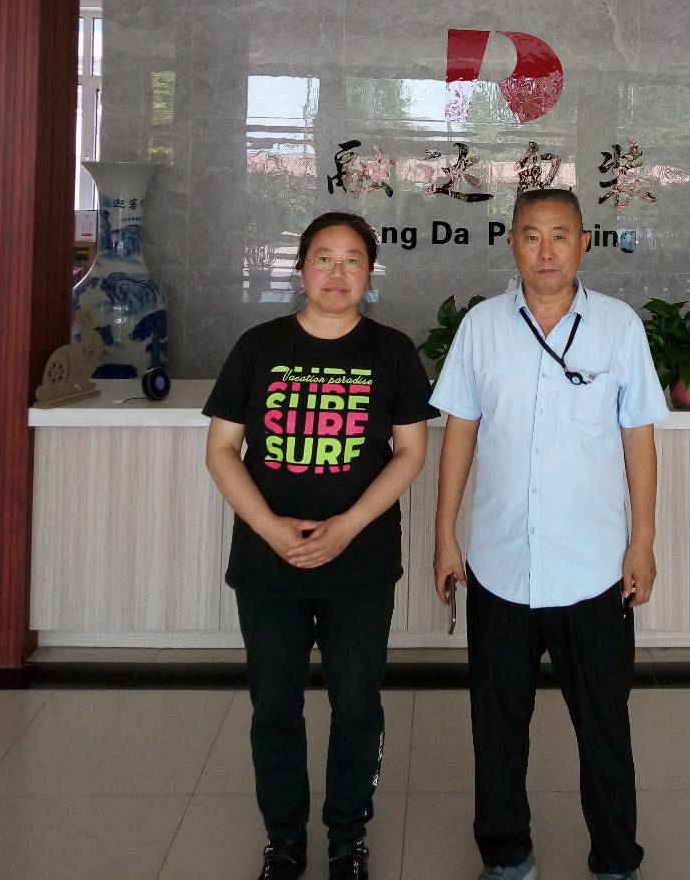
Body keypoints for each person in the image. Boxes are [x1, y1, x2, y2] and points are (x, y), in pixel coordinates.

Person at [432, 187, 667, 880]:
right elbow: (460, 432)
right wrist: (445, 533)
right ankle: (506, 855)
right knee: (497, 727)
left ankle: (616, 860)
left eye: (560, 235)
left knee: (604, 727)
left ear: (583, 243)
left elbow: (639, 438)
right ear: (512, 244)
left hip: (592, 567)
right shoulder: (482, 327)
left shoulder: (618, 327)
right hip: (500, 563)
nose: (545, 251)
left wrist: (643, 541)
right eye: (531, 235)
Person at [204, 211, 435, 880]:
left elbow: (411, 451)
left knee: (357, 704)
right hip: (267, 563)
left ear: (369, 271)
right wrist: (271, 526)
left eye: (352, 259)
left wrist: (348, 524)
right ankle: (283, 839)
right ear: (301, 268)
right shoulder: (258, 346)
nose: (338, 273)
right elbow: (222, 450)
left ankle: (346, 837)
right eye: (324, 258)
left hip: (359, 563)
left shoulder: (391, 351)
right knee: (274, 705)